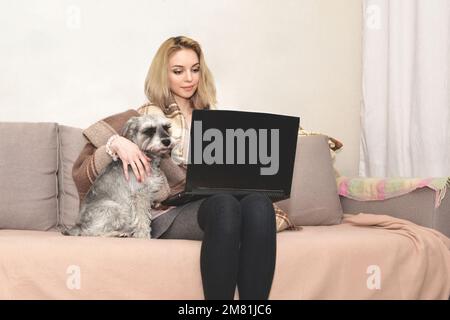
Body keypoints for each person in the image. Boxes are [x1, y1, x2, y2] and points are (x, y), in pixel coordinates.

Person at [72, 36, 277, 300]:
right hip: (166, 211)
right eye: (178, 71)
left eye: (195, 69)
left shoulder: (213, 117)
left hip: (203, 198)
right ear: (163, 74)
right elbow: (93, 151)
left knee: (260, 204)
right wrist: (116, 142)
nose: (189, 78)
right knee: (225, 205)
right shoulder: (146, 114)